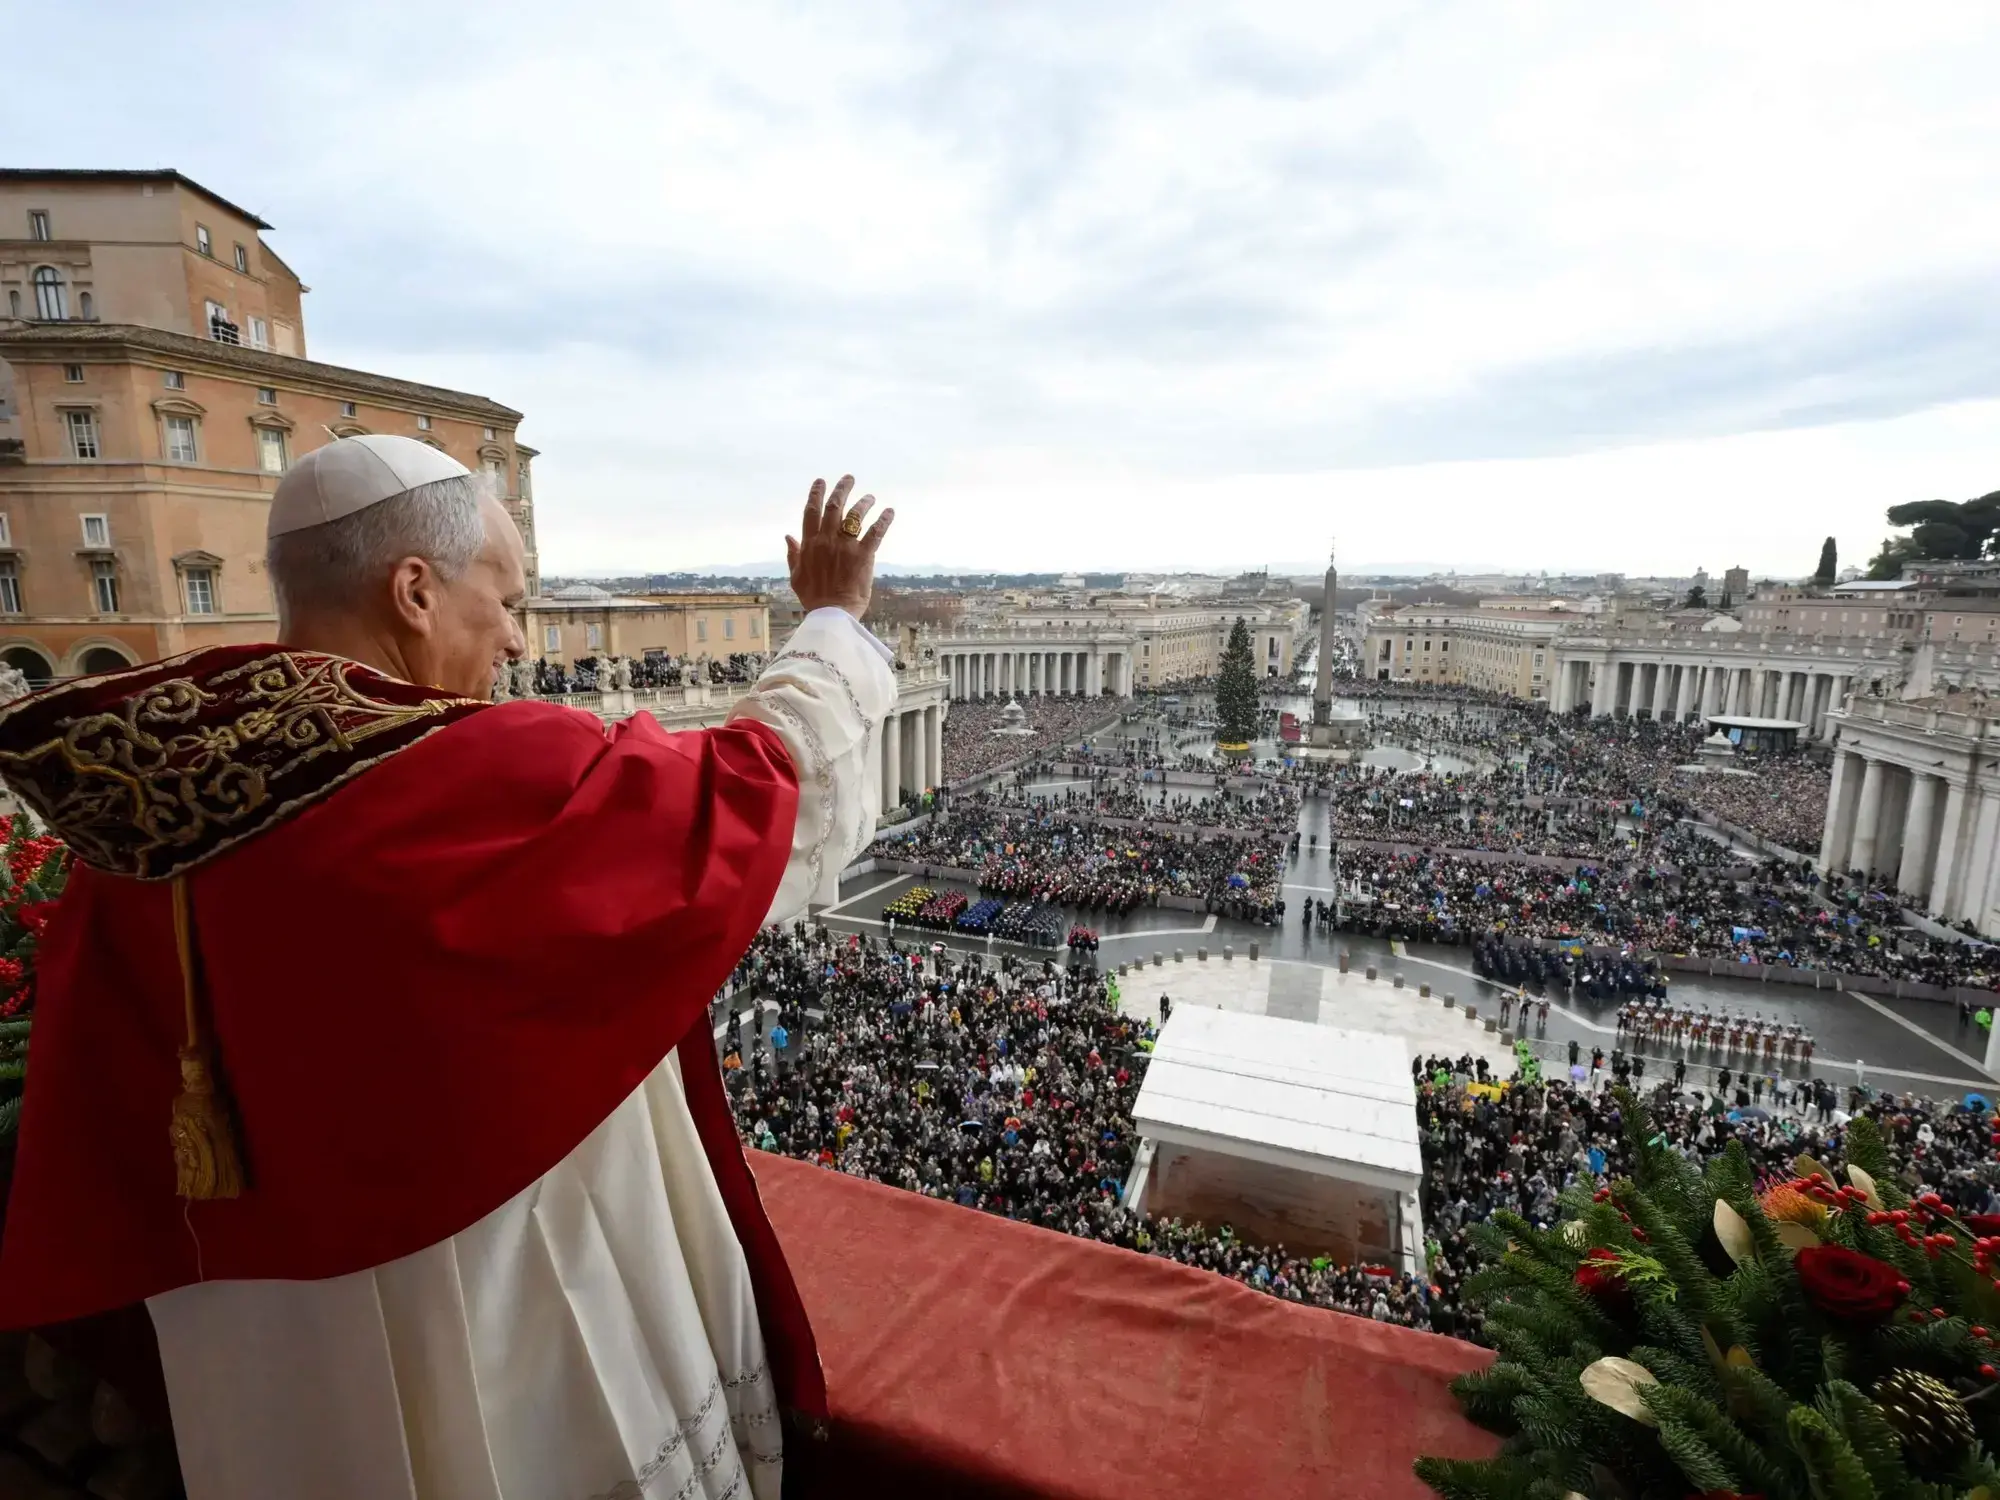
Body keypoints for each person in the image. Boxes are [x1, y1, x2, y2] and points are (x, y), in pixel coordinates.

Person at [0, 440, 900, 1500]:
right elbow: (756, 793)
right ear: (414, 590)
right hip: (492, 1292)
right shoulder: (470, 774)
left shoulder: (144, 823)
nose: (518, 637)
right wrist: (833, 619)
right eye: (509, 599)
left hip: (261, 1340)